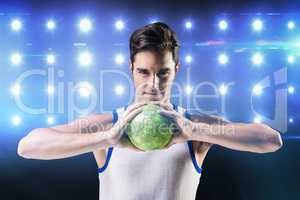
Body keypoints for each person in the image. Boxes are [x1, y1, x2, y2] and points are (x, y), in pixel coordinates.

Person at [17, 22, 283, 200]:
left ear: (176, 70)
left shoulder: (195, 128)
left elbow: (271, 140)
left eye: (163, 73)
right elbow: (28, 146)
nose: (153, 84)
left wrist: (192, 130)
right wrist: (107, 138)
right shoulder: (107, 126)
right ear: (130, 67)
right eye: (143, 72)